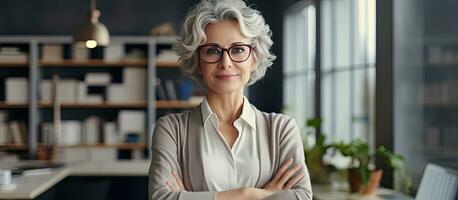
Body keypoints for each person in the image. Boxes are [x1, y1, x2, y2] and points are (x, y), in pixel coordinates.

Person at [148, 0, 313, 199]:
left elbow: (301, 197)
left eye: (238, 49)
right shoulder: (171, 130)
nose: (226, 63)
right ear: (197, 61)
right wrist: (253, 195)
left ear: (255, 58)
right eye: (212, 51)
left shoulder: (281, 129)